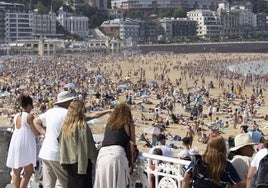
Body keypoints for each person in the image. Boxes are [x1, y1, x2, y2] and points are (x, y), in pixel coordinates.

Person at [34, 91, 111, 188]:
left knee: (48, 185)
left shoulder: (49, 112)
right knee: (65, 184)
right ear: (67, 102)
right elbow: (92, 116)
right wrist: (107, 111)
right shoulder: (69, 114)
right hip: (58, 153)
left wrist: (45, 133)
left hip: (45, 153)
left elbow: (36, 121)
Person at [94, 103, 136, 188]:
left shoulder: (110, 123)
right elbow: (133, 142)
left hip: (102, 156)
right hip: (117, 156)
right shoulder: (128, 123)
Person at [58, 100, 98, 188]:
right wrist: (95, 157)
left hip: (69, 161)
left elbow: (60, 141)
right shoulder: (82, 125)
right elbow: (88, 145)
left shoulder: (65, 126)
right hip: (81, 162)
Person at [6, 94, 39, 188]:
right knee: (28, 170)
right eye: (31, 106)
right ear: (28, 105)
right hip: (26, 144)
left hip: (16, 143)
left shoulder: (16, 116)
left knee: (16, 170)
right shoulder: (29, 116)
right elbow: (36, 132)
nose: (32, 108)